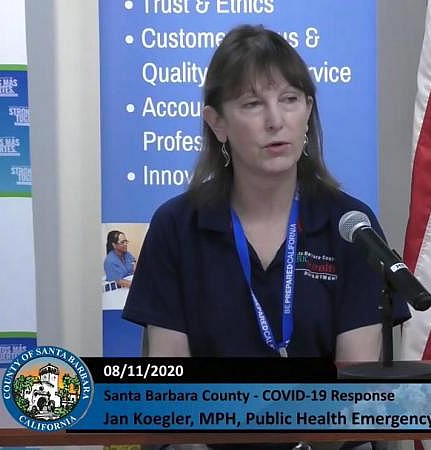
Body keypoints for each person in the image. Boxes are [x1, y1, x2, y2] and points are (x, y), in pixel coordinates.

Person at [122, 24, 410, 363]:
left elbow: (357, 388)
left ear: (307, 111)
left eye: (289, 100)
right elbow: (168, 381)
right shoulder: (177, 226)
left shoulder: (350, 226)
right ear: (218, 123)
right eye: (253, 104)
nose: (276, 120)